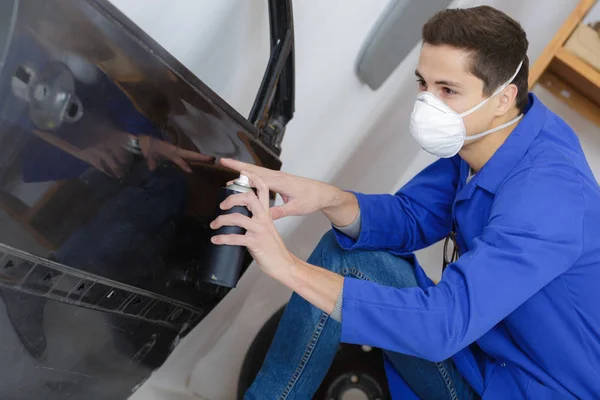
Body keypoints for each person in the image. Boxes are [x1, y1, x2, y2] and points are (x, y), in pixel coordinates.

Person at [210, 6, 600, 400]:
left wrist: (286, 266)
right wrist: (327, 196)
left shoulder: (548, 197)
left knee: (344, 268)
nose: (428, 104)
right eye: (422, 84)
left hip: (525, 389)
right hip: (480, 359)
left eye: (447, 90)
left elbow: (442, 324)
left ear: (503, 98)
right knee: (346, 254)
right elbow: (412, 217)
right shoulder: (489, 139)